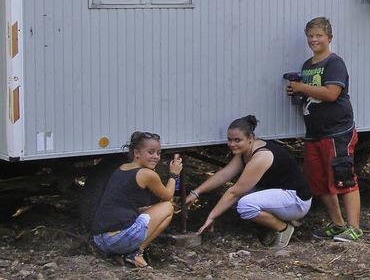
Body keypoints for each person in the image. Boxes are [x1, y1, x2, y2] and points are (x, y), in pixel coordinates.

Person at [286, 17, 362, 242]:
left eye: (319, 35)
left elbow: (331, 93)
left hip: (337, 130)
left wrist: (303, 87)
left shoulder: (334, 62)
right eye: (310, 36)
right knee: (320, 181)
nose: (314, 40)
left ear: (329, 37)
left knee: (344, 177)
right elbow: (310, 94)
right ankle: (338, 224)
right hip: (314, 132)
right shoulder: (307, 66)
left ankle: (354, 228)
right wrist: (297, 92)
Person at [188, 115, 312, 250]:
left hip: (296, 201)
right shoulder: (245, 151)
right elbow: (224, 174)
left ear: (250, 139)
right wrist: (196, 192)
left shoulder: (261, 156)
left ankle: (283, 228)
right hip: (280, 193)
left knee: (245, 206)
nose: (232, 144)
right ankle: (281, 217)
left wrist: (211, 217)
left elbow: (234, 191)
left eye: (237, 140)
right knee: (235, 201)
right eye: (229, 140)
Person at [92, 131, 182, 269]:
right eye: (150, 152)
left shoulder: (122, 168)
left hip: (100, 239)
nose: (156, 157)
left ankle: (120, 253)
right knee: (167, 207)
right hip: (117, 240)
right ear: (137, 153)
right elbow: (168, 195)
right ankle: (136, 254)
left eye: (158, 153)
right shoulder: (146, 174)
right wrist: (174, 174)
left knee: (149, 209)